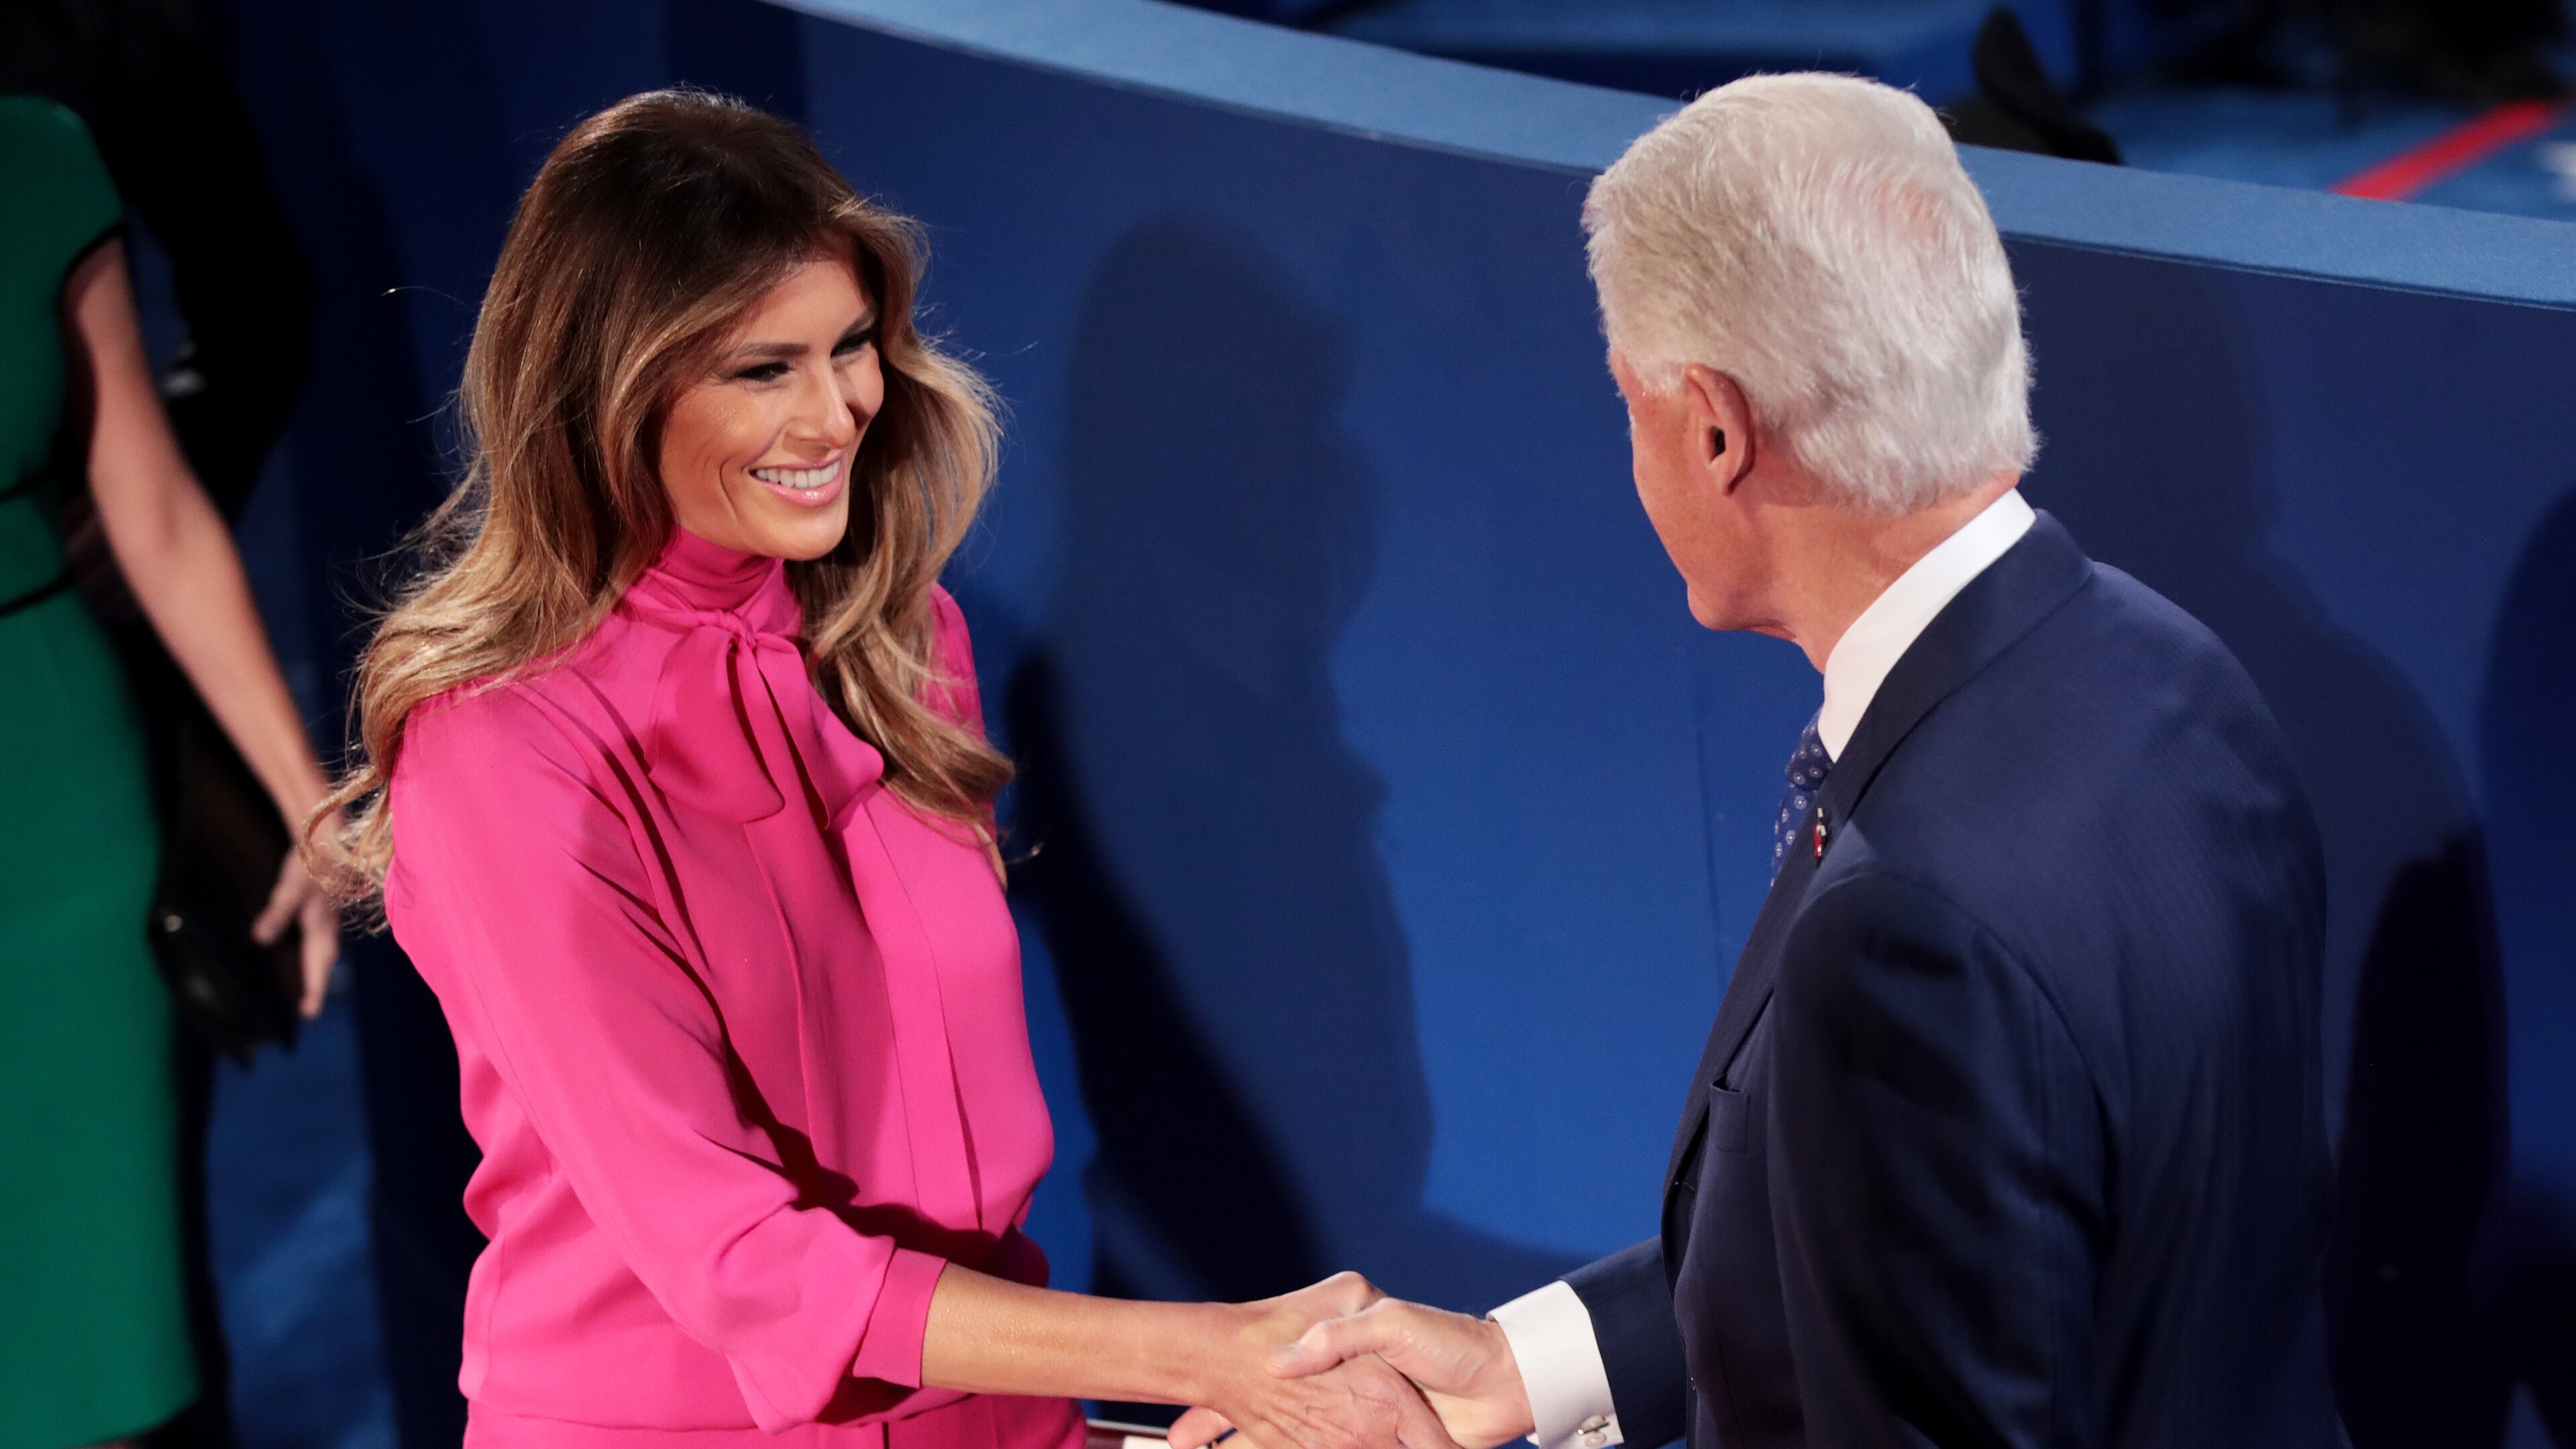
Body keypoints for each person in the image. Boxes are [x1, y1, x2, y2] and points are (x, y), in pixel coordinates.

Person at [1195, 73, 2348, 1449]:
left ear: (1720, 431)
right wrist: (1533, 1364)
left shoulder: (1912, 924)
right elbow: (1983, 1259)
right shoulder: (2177, 680)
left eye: (1629, 402)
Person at [311, 89, 1454, 1449]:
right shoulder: (500, 747)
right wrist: (1210, 1354)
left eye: (850, 346)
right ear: (610, 390)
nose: (838, 411)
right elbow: (737, 1258)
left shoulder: (902, 641)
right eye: (762, 369)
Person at [0, 97, 340, 1449]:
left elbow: (149, 507)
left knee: (113, 1339)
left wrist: (312, 810)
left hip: (57, 823)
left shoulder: (36, 157)